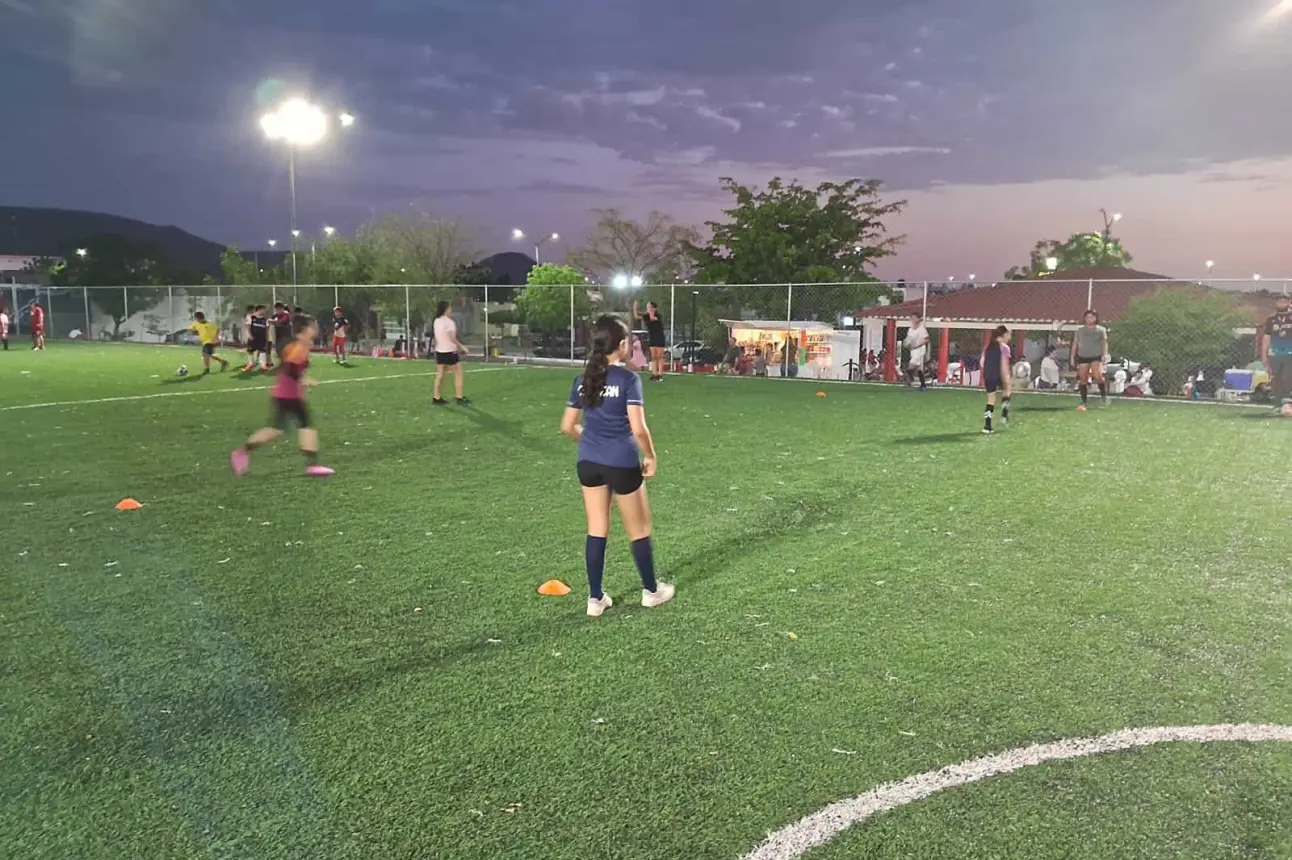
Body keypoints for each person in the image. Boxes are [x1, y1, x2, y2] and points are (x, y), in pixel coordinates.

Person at [560, 315, 674, 617]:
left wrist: (591, 439)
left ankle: (595, 599)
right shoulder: (628, 380)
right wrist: (650, 455)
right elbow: (638, 429)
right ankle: (651, 591)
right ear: (621, 345)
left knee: (597, 529)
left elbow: (568, 426)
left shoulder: (582, 378)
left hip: (588, 463)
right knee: (639, 530)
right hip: (622, 463)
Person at [231, 316, 333, 477]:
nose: (316, 329)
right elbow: (289, 366)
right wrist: (302, 379)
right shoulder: (298, 345)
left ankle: (243, 452)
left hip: (287, 394)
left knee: (277, 429)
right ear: (305, 329)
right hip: (288, 394)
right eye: (313, 326)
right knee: (304, 426)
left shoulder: (302, 344)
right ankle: (312, 465)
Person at [432, 300, 470, 406]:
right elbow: (452, 338)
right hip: (449, 351)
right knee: (458, 373)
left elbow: (437, 337)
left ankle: (436, 397)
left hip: (440, 351)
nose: (451, 309)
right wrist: (462, 347)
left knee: (440, 375)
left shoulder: (436, 321)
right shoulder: (449, 322)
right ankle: (459, 397)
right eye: (449, 308)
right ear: (445, 309)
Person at [1070, 310, 1108, 411]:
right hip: (1083, 356)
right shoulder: (1080, 330)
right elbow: (1075, 344)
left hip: (1096, 356)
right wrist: (1072, 357)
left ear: (1095, 318)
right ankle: (1084, 401)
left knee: (1097, 376)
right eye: (1087, 317)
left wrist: (1104, 355)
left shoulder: (1101, 330)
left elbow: (1104, 343)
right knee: (1083, 379)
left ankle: (1103, 396)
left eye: (1091, 317)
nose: (1089, 319)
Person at [1261, 293, 1292, 410]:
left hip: (1290, 353)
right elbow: (1266, 338)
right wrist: (1264, 356)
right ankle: (1278, 404)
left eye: (1285, 301)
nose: (1281, 303)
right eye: (1279, 301)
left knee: (1287, 377)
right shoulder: (1271, 319)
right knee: (1275, 379)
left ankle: (1287, 403)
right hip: (1275, 353)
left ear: (1289, 302)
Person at [981, 324, 1013, 434]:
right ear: (1004, 335)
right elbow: (1004, 365)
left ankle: (987, 426)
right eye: (1009, 334)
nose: (1010, 337)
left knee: (990, 400)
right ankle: (1004, 414)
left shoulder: (988, 347)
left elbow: (981, 363)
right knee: (1008, 389)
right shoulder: (1004, 348)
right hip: (998, 374)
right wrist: (1006, 378)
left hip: (988, 375)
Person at [632, 300, 667, 381]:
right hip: (652, 337)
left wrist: (650, 311)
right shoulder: (646, 316)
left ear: (654, 308)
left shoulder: (658, 316)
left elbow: (652, 318)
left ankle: (660, 374)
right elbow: (636, 316)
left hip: (659, 337)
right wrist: (635, 308)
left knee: (659, 356)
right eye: (647, 307)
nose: (648, 308)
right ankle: (654, 374)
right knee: (654, 357)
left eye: (650, 307)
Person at [903, 314, 930, 390]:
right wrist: (908, 345)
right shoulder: (910, 330)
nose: (912, 320)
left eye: (914, 318)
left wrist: (918, 345)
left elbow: (927, 339)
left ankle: (910, 379)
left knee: (911, 366)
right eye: (911, 318)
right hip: (913, 350)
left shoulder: (921, 329)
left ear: (918, 319)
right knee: (918, 368)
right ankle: (923, 385)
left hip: (920, 349)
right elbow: (909, 340)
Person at [243, 305, 270, 371]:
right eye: (263, 310)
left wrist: (267, 338)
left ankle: (263, 365)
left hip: (261, 338)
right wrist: (250, 335)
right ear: (259, 310)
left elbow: (266, 329)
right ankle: (250, 364)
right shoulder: (251, 317)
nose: (264, 311)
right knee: (250, 351)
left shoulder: (265, 319)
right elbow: (248, 327)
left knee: (262, 351)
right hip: (253, 338)